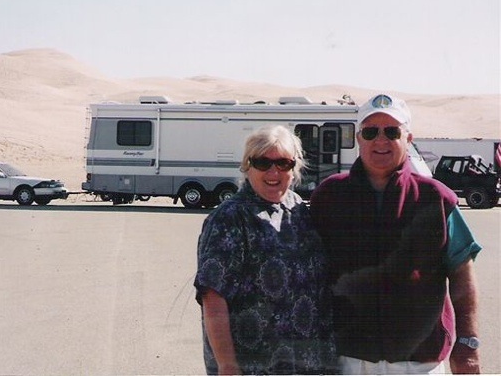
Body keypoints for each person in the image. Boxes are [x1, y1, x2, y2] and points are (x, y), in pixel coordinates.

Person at [310, 94, 482, 374]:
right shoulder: (328, 197)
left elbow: (462, 275)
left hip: (420, 362)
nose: (381, 140)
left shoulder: (436, 199)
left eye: (392, 131)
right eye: (370, 131)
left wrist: (468, 343)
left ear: (408, 138)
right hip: (349, 360)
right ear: (358, 138)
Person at [194, 125, 338, 375]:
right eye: (263, 162)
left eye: (283, 163)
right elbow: (213, 296)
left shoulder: (299, 210)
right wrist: (227, 366)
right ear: (247, 165)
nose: (274, 171)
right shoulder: (230, 218)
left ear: (294, 168)